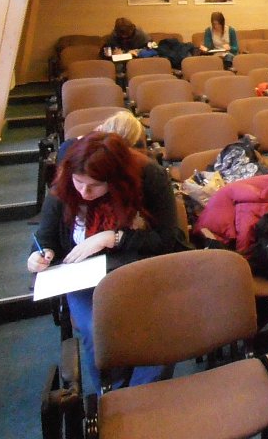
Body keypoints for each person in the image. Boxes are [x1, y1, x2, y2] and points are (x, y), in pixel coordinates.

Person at [28, 132, 189, 394]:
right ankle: (114, 392)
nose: (84, 192)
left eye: (94, 185)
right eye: (79, 182)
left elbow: (165, 239)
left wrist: (112, 238)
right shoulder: (66, 185)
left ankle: (141, 397)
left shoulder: (148, 177)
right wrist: (40, 255)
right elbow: (45, 237)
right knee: (100, 329)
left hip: (139, 267)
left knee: (160, 325)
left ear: (115, 180)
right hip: (83, 278)